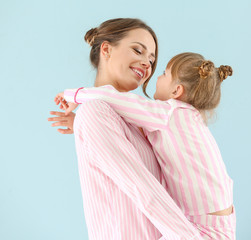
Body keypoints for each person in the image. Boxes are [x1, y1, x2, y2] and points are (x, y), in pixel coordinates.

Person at [48, 18, 203, 240]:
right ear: (106, 49)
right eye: (138, 51)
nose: (147, 64)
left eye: (151, 60)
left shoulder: (134, 121)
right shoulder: (94, 113)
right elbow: (144, 191)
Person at [56, 52, 236, 239]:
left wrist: (74, 95)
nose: (157, 76)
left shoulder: (170, 113)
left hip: (199, 228)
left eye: (165, 74)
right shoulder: (189, 121)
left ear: (177, 91)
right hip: (222, 225)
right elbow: (129, 134)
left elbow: (117, 99)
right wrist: (80, 124)